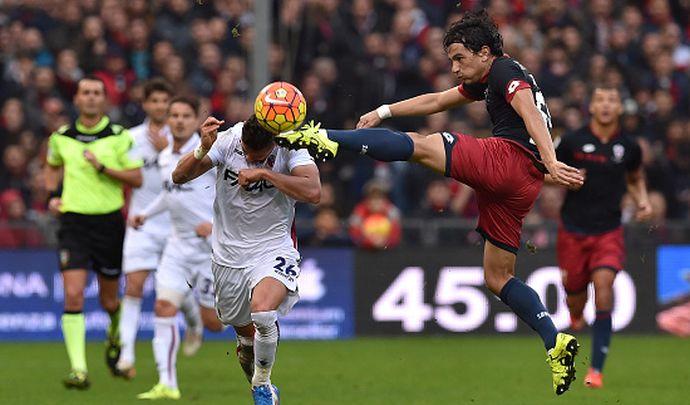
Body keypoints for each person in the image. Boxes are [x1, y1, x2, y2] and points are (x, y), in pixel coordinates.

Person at [275, 10, 584, 395]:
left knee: (419, 146)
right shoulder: (490, 77)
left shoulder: (505, 71)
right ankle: (554, 341)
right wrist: (384, 111)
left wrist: (550, 157)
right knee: (497, 276)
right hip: (523, 184)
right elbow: (438, 100)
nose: (454, 68)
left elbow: (528, 108)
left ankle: (323, 138)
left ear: (485, 52)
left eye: (459, 58)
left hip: (511, 160)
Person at [171, 114, 321, 405]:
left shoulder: (291, 146)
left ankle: (262, 386)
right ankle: (256, 374)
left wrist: (266, 174)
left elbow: (313, 192)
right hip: (228, 256)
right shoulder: (228, 140)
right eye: (247, 154)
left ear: (273, 145)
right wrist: (202, 148)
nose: (251, 160)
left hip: (273, 247)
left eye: (259, 157)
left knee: (263, 313)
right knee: (246, 346)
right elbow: (178, 176)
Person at [44, 76, 143, 389]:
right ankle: (78, 369)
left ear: (104, 100)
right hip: (73, 223)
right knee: (73, 294)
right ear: (77, 99)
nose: (90, 98)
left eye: (96, 93)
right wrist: (52, 197)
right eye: (85, 92)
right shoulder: (61, 137)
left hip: (108, 223)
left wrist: (103, 168)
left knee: (109, 301)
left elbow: (136, 177)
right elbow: (51, 166)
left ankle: (113, 335)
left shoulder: (118, 136)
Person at [555, 86, 651, 389]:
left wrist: (643, 201)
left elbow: (634, 178)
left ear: (620, 108)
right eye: (600, 100)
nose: (606, 105)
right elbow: (545, 171)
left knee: (604, 286)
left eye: (612, 100)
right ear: (591, 107)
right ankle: (575, 314)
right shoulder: (572, 142)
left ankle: (596, 370)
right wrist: (564, 177)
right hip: (573, 230)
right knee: (573, 289)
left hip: (608, 232)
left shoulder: (629, 146)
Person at [130, 96, 224, 400]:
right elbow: (170, 195)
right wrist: (146, 213)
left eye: (186, 115)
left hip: (211, 249)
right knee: (163, 307)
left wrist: (215, 224)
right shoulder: (164, 155)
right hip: (177, 246)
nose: (179, 120)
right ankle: (167, 384)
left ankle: (197, 320)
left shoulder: (212, 152)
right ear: (168, 119)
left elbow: (230, 193)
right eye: (174, 115)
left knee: (215, 324)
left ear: (197, 119)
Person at [116, 79, 203, 379]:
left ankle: (194, 324)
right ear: (145, 104)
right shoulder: (131, 138)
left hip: (180, 226)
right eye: (154, 101)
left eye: (165, 102)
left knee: (179, 289)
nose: (161, 107)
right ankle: (126, 357)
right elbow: (136, 178)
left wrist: (170, 151)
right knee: (134, 285)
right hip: (144, 221)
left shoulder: (185, 140)